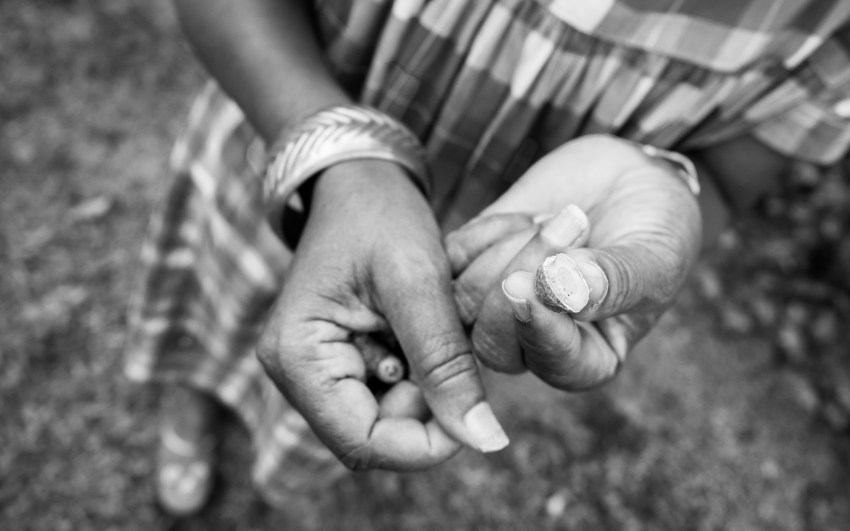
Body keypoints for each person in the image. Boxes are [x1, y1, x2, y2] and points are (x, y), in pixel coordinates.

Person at [123, 0, 850, 516]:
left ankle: (277, 456)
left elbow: (723, 176)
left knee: (366, 381)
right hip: (285, 151)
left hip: (486, 270)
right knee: (224, 313)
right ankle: (190, 411)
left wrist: (663, 187)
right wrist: (340, 158)